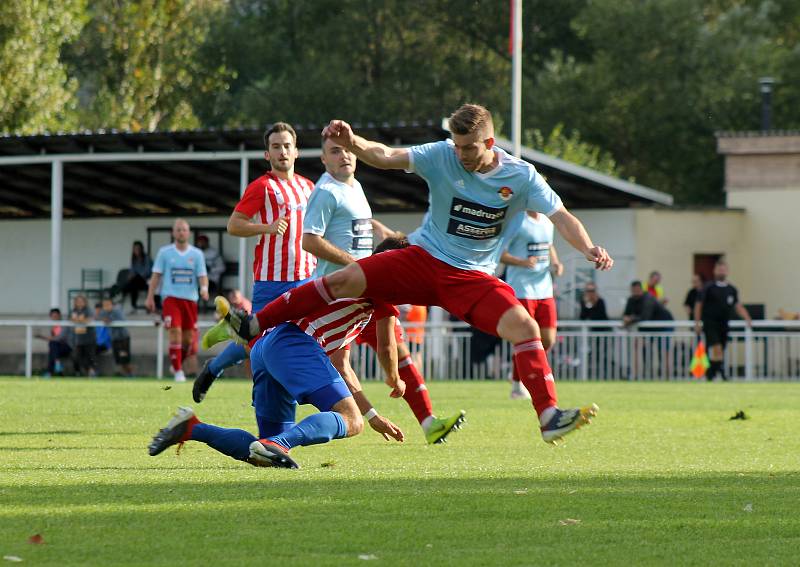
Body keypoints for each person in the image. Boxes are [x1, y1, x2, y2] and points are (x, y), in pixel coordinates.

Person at [223, 104, 612, 444]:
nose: (459, 154)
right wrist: (354, 141)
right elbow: (387, 155)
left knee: (525, 328)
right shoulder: (442, 154)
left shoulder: (521, 176)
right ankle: (255, 323)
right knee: (344, 279)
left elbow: (560, 216)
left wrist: (590, 248)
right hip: (422, 258)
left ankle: (548, 417)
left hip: (472, 277)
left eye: (468, 148)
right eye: (456, 145)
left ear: (491, 144)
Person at [148, 260, 407, 469]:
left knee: (262, 453)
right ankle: (281, 443)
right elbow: (386, 347)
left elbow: (343, 368)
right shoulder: (382, 288)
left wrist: (372, 415)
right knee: (351, 421)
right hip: (294, 343)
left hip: (268, 345)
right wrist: (395, 378)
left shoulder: (352, 295)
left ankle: (192, 427)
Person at [301, 135, 465, 443]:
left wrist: (378, 242)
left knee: (397, 350)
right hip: (340, 296)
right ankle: (302, 424)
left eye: (348, 150)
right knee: (340, 363)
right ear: (323, 159)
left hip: (367, 290)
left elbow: (352, 232)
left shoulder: (355, 188)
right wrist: (355, 266)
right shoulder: (326, 191)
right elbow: (309, 241)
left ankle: (429, 422)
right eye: (335, 151)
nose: (344, 156)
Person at [194, 122, 316, 388]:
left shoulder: (309, 187)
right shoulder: (262, 186)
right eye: (276, 147)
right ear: (267, 155)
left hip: (307, 277)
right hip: (271, 280)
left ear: (296, 152)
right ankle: (214, 368)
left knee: (306, 339)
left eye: (287, 146)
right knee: (256, 341)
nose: (282, 151)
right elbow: (234, 224)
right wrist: (267, 228)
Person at [500, 210, 564, 399]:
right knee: (526, 337)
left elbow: (549, 245)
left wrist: (556, 262)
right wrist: (522, 262)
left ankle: (522, 372)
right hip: (522, 289)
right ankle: (518, 384)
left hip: (545, 288)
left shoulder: (547, 220)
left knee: (548, 340)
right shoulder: (516, 220)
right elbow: (499, 253)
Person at [145, 218, 209, 382]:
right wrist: (150, 296)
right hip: (171, 299)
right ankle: (178, 372)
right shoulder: (164, 253)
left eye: (184, 229)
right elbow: (156, 276)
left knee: (188, 340)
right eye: (178, 229)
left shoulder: (196, 254)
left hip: (190, 300)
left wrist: (204, 289)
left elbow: (202, 276)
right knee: (175, 332)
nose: (181, 232)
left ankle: (176, 362)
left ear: (188, 233)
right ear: (173, 233)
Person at [694, 259, 752, 381]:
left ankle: (711, 373)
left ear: (727, 271)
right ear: (714, 271)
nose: (721, 271)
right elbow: (699, 304)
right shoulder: (708, 287)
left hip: (724, 324)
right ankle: (721, 374)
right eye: (719, 269)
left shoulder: (732, 289)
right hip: (710, 323)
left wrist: (747, 317)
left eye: (723, 269)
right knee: (717, 349)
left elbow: (737, 305)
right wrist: (698, 322)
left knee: (720, 352)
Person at [623, 280, 674, 378]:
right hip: (649, 328)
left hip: (665, 325)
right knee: (646, 350)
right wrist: (626, 318)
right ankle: (647, 374)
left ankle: (667, 376)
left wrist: (631, 319)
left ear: (641, 289)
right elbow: (626, 314)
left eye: (637, 290)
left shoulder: (648, 298)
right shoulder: (631, 299)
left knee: (663, 351)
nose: (636, 293)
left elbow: (645, 316)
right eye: (633, 291)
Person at [98, 296, 134, 377]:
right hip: (114, 338)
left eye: (108, 305)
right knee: (118, 358)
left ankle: (130, 374)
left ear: (112, 305)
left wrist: (110, 320)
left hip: (123, 338)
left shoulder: (117, 311)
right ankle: (126, 373)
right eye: (105, 305)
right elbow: (99, 318)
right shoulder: (103, 312)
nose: (106, 307)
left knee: (124, 357)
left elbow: (122, 322)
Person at [36, 308, 72, 377]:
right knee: (52, 348)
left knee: (52, 346)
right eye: (53, 316)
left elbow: (60, 338)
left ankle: (49, 372)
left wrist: (42, 337)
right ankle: (57, 367)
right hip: (57, 347)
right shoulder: (53, 325)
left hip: (66, 346)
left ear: (59, 315)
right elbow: (55, 339)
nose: (54, 318)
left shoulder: (64, 324)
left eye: (56, 316)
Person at [121, 241, 153, 312]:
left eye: (138, 248)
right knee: (133, 284)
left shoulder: (146, 258)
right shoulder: (134, 260)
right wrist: (131, 275)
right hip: (136, 282)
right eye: (135, 249)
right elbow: (132, 270)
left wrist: (137, 275)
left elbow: (147, 272)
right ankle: (133, 305)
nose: (136, 250)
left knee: (134, 281)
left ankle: (122, 292)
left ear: (141, 249)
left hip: (146, 281)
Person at [70, 294, 96, 377]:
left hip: (89, 338)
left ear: (85, 302)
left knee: (90, 357)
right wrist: (77, 320)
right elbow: (71, 319)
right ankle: (77, 372)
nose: (79, 303)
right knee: (76, 357)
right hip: (78, 339)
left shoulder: (88, 310)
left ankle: (91, 373)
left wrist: (81, 320)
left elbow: (91, 319)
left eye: (81, 301)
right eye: (77, 301)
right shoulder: (74, 310)